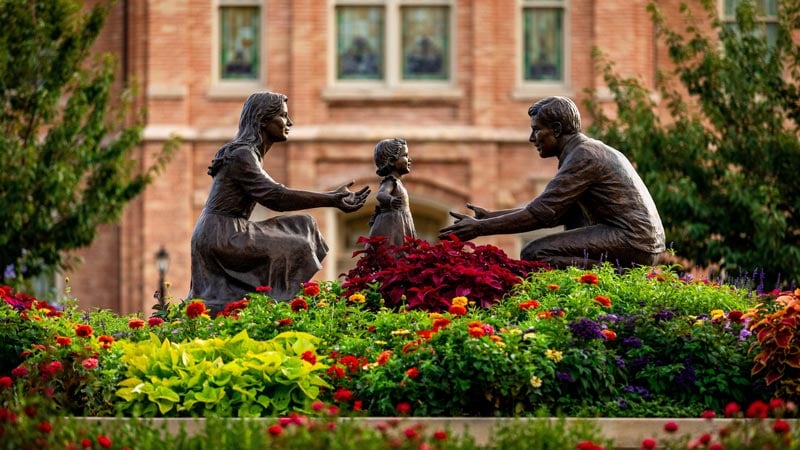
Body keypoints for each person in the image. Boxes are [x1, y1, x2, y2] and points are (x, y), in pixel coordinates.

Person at [188, 92, 370, 314]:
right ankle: (275, 305)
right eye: (283, 116)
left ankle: (276, 299)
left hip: (228, 230)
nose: (290, 122)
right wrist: (330, 199)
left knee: (305, 225)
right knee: (298, 244)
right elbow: (276, 197)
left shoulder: (248, 153)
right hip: (222, 236)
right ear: (263, 120)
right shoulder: (242, 155)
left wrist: (330, 199)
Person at [439, 96, 665, 269]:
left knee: (535, 252)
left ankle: (607, 281)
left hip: (633, 241)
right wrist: (492, 217)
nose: (531, 138)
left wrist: (480, 228)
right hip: (639, 241)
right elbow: (557, 213)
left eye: (537, 130)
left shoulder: (583, 157)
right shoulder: (583, 151)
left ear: (556, 129)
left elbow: (542, 214)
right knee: (573, 223)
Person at [367, 138, 416, 247]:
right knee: (393, 250)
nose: (410, 159)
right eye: (406, 155)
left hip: (401, 222)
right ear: (392, 161)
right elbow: (381, 194)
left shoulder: (397, 182)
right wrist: (390, 199)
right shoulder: (390, 181)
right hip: (392, 225)